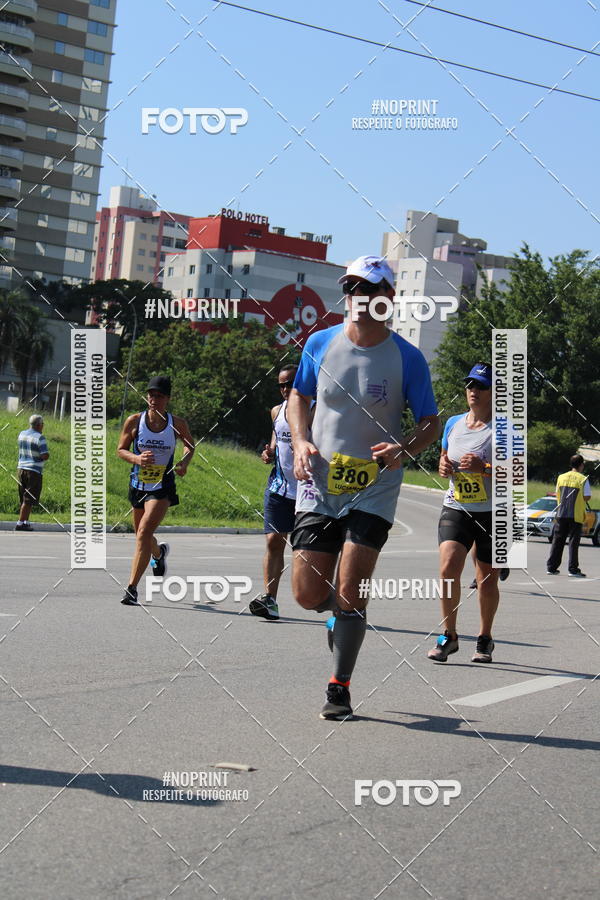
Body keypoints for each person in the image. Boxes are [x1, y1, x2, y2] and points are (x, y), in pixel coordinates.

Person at [287, 255, 440, 719]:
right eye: (351, 288)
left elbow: (430, 422)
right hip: (320, 483)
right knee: (306, 594)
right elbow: (299, 396)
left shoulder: (407, 358)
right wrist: (300, 441)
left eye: (369, 289)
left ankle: (339, 687)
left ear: (388, 297)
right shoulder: (320, 343)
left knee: (352, 588)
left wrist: (403, 448)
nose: (358, 297)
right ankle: (340, 614)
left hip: (375, 486)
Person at [428, 364, 502, 665]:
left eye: (481, 386)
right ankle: (449, 635)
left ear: (493, 392)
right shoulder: (453, 423)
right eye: (470, 384)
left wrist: (485, 468)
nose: (474, 390)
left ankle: (485, 637)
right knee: (448, 569)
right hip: (456, 506)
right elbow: (444, 457)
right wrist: (443, 465)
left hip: (493, 512)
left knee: (487, 580)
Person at [117, 375, 194, 605]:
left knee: (143, 533)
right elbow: (121, 450)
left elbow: (190, 445)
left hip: (162, 486)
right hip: (138, 484)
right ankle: (158, 554)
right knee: (141, 535)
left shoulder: (177, 424)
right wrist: (137, 459)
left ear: (167, 399)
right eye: (151, 395)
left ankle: (132, 589)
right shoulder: (134, 421)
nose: (154, 399)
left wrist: (184, 463)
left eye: (159, 396)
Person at [250, 365, 299, 621]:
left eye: (290, 383)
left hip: (308, 493)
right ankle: (269, 599)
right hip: (279, 488)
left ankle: (327, 599)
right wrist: (268, 453)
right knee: (273, 542)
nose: (285, 389)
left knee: (306, 554)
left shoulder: (315, 411)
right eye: (281, 384)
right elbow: (275, 443)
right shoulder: (276, 411)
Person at [546, 454, 591, 577]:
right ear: (581, 465)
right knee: (573, 543)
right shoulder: (583, 479)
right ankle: (573, 569)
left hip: (561, 513)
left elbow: (557, 493)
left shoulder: (561, 477)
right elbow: (587, 496)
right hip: (576, 515)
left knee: (557, 541)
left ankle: (551, 567)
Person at [15, 414, 49, 531]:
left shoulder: (22, 434)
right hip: (33, 471)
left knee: (24, 497)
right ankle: (20, 523)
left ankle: (25, 521)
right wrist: (46, 455)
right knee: (29, 499)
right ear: (39, 425)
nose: (43, 426)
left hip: (21, 469)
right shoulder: (40, 437)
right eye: (42, 424)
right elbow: (44, 455)